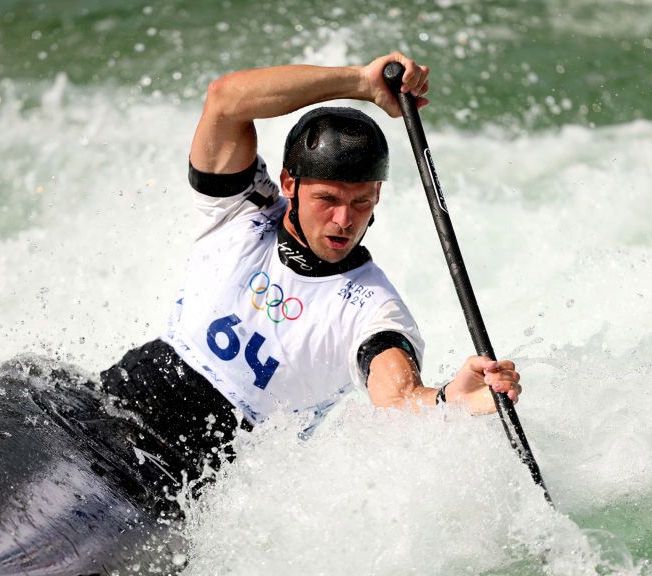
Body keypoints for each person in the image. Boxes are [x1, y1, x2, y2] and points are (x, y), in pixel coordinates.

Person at [99, 51, 522, 483]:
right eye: (328, 199)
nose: (344, 220)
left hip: (191, 482)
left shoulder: (372, 308)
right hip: (110, 404)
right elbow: (226, 99)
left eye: (361, 202)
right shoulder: (243, 209)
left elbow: (398, 397)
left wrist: (449, 400)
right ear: (289, 184)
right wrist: (361, 83)